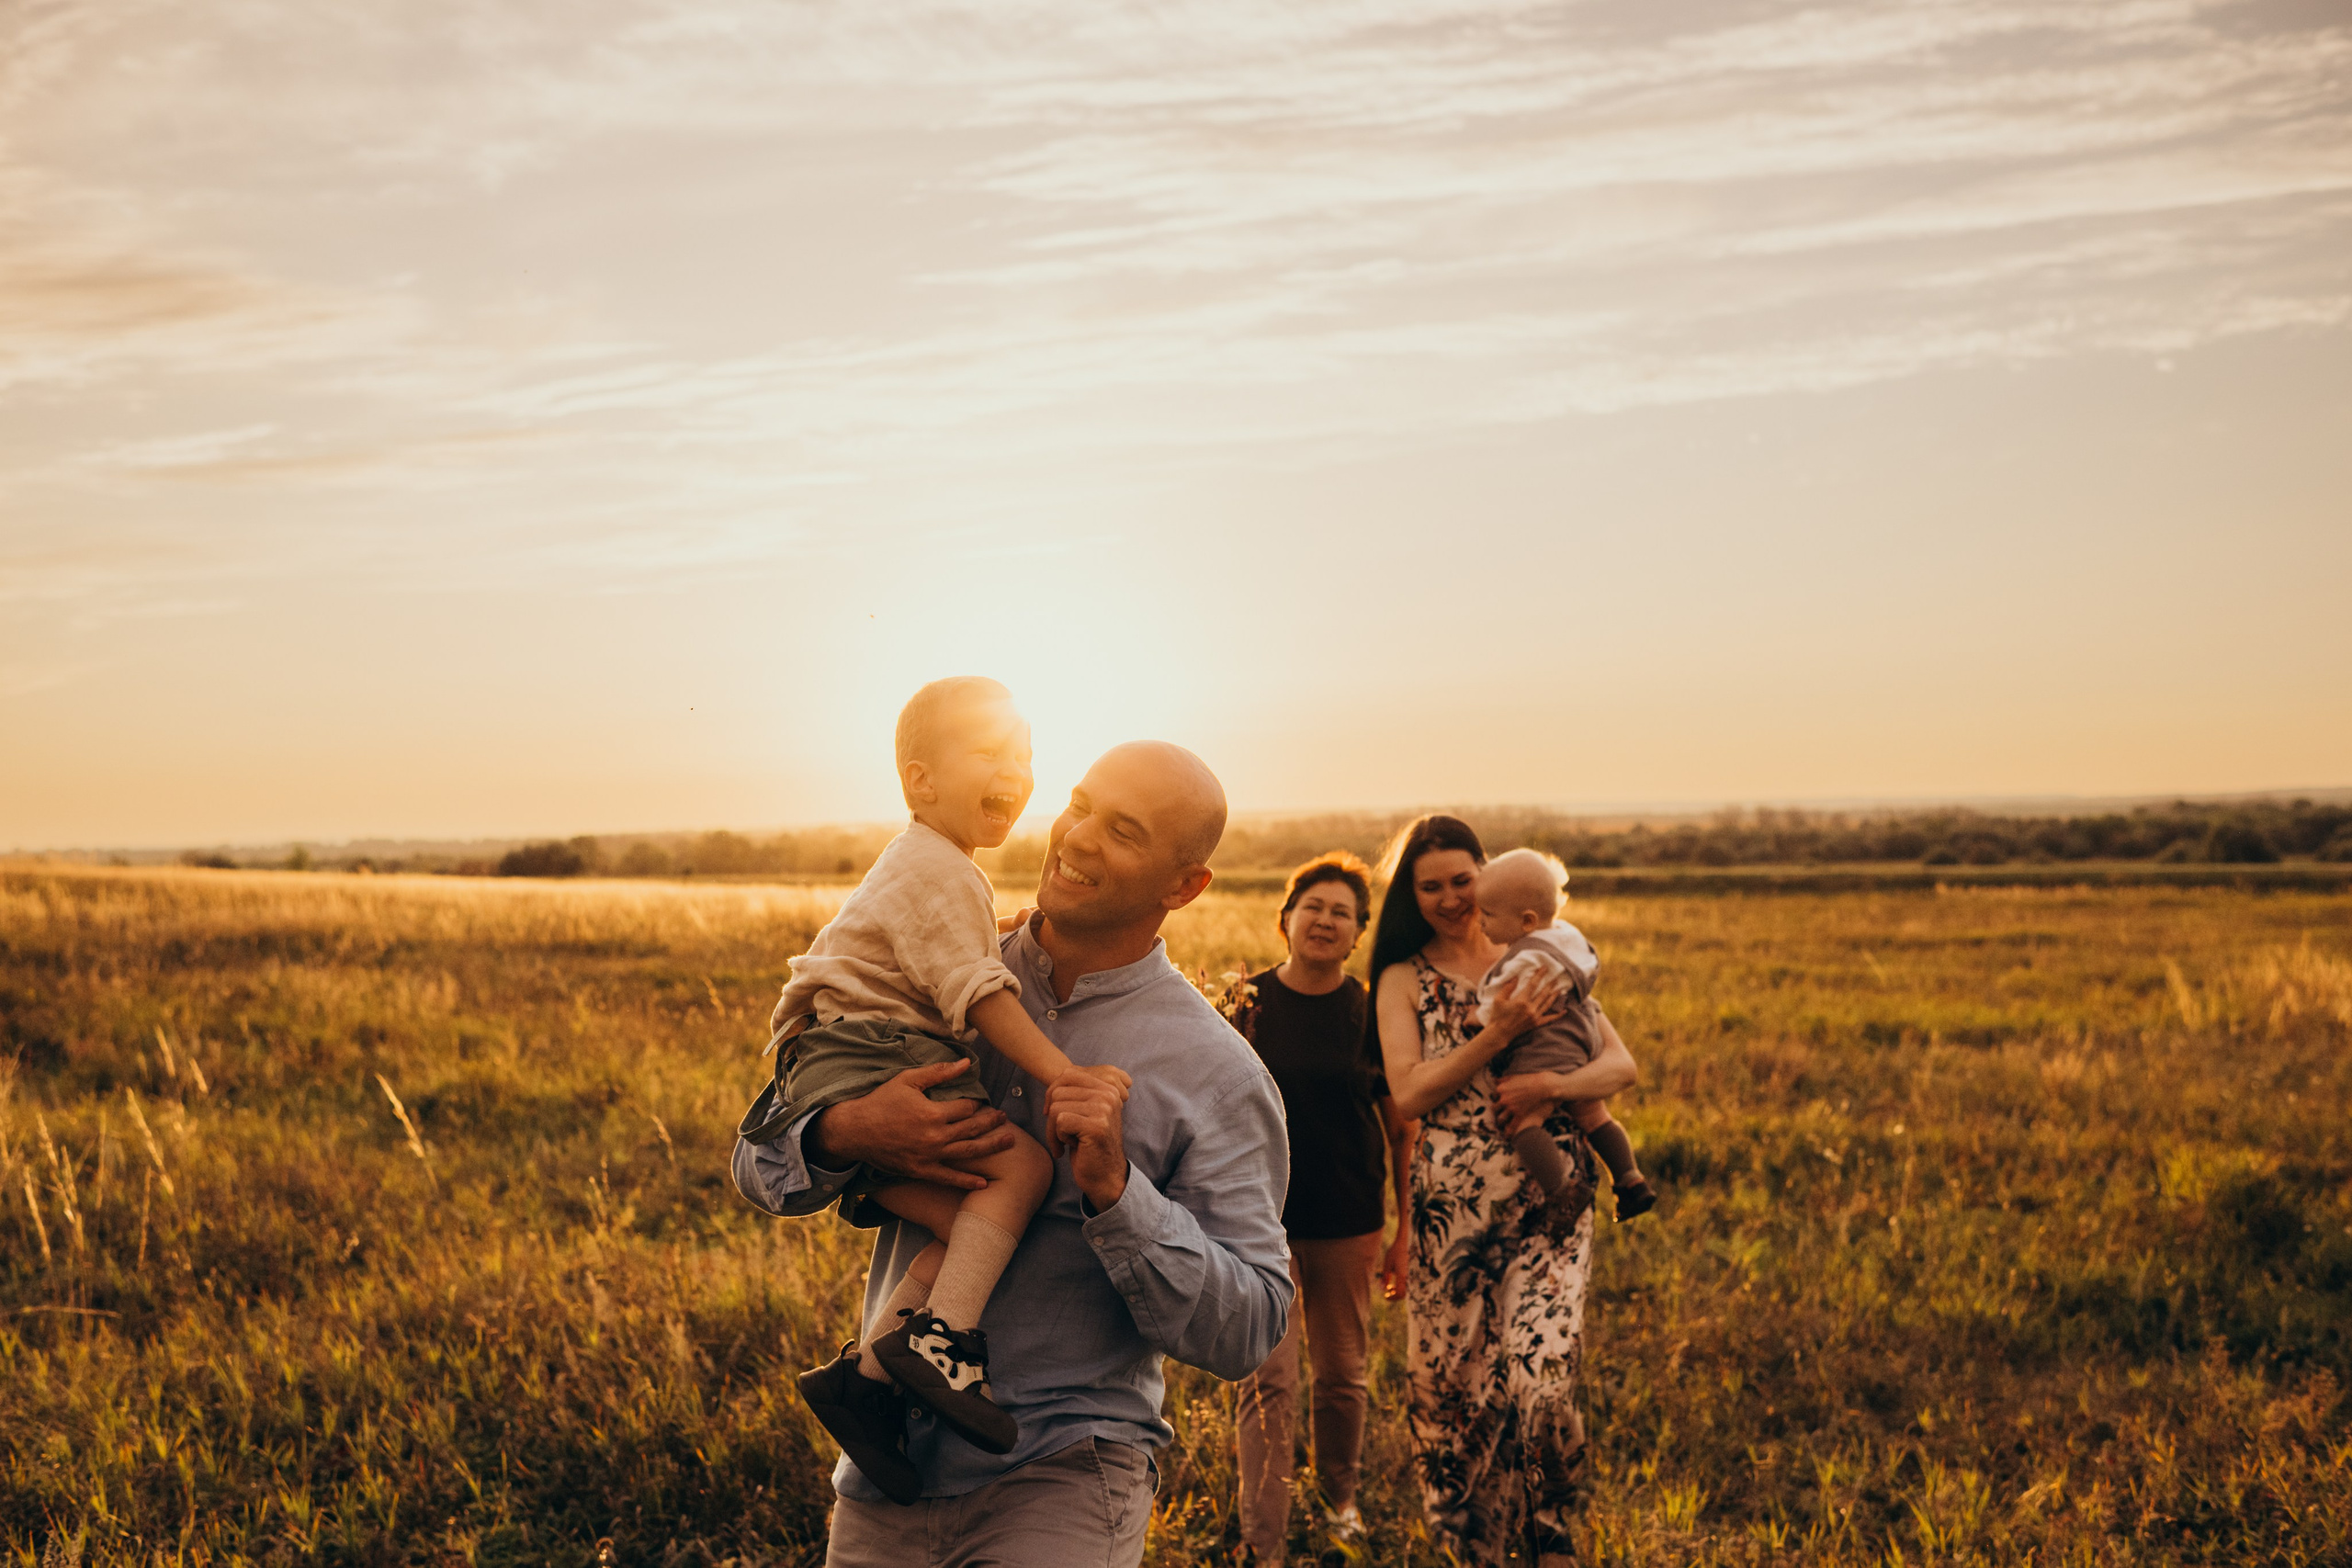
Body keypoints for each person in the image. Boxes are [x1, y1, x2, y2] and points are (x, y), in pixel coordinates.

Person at [733, 740, 1292, 1568]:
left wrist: (1119, 1194)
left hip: (1065, 1472)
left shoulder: (1218, 1073)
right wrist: (845, 1132)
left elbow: (1251, 1325)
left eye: (1124, 830)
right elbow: (756, 1166)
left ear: (1185, 886)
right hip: (888, 1472)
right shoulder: (940, 969)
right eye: (1079, 801)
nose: (1077, 836)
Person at [753, 677, 1133, 1483]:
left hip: (832, 1059)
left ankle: (866, 1385)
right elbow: (977, 992)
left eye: (1026, 754)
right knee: (1025, 1167)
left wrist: (998, 927)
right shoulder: (942, 866)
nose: (1017, 769)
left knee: (973, 1221)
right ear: (922, 781)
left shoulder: (933, 864)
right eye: (993, 751)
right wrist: (1065, 1073)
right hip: (868, 1053)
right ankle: (943, 1340)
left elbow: (931, 943)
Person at [1371, 815, 1639, 1568]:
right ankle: (1472, 1551)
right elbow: (1410, 1094)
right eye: (1432, 886)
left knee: (1540, 1377)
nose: (1452, 897)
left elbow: (1619, 1067)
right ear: (1412, 894)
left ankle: (1552, 1536)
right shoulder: (1402, 977)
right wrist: (1497, 1034)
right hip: (1449, 1209)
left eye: (1464, 880)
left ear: (1488, 877)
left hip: (1551, 1194)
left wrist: (1550, 1084)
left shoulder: (1538, 958)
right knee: (1451, 1393)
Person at [1228, 852, 1415, 1564]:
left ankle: (1342, 1504)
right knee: (1266, 1381)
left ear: (1358, 933)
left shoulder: (1372, 1010)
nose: (1325, 920)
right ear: (1285, 919)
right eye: (1314, 906)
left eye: (1342, 912)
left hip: (1348, 1217)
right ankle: (1262, 1538)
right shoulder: (1243, 1002)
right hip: (1256, 1225)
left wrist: (1403, 1230)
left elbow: (1402, 1128)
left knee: (1342, 1375)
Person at [1472, 849, 1656, 1222]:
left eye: (1487, 915)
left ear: (1526, 921)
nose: (1480, 922)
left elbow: (1499, 1008)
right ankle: (1630, 1179)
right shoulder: (1566, 935)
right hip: (1584, 1029)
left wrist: (1477, 1021)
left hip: (1549, 1043)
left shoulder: (1523, 960)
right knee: (1593, 1112)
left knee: (1525, 1122)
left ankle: (1561, 1195)